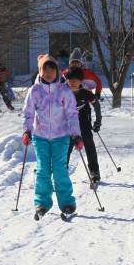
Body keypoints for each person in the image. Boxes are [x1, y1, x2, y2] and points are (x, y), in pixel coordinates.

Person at [23, 54, 84, 220]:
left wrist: (76, 135)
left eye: (52, 69)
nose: (49, 73)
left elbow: (72, 114)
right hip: (40, 136)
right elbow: (28, 113)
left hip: (61, 136)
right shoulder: (34, 91)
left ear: (57, 71)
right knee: (43, 169)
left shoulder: (64, 91)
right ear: (40, 71)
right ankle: (42, 203)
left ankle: (66, 203)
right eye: (45, 69)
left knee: (59, 169)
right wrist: (27, 131)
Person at [64, 66, 102, 186]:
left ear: (81, 81)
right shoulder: (62, 92)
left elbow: (97, 106)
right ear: (66, 80)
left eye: (76, 80)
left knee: (88, 143)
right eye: (70, 80)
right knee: (66, 147)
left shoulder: (86, 93)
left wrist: (98, 121)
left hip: (83, 120)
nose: (73, 83)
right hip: (67, 122)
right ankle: (61, 173)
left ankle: (94, 171)